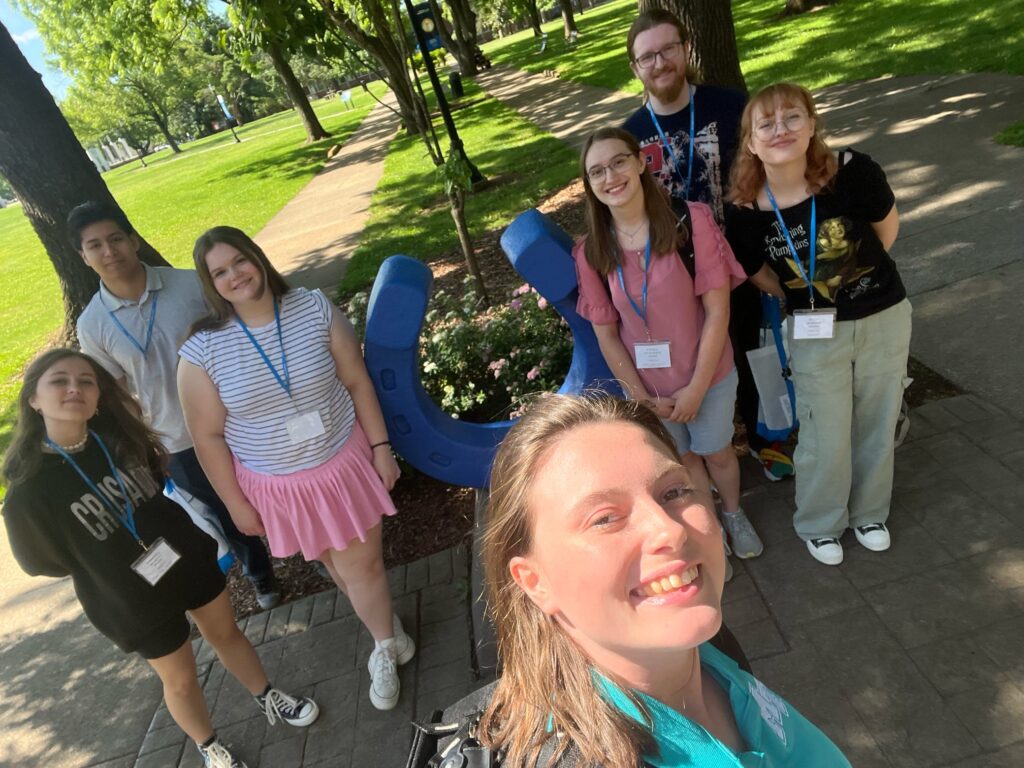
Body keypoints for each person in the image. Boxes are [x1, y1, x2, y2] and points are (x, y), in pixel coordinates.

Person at [477, 394, 852, 766]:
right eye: (605, 518)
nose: (669, 530)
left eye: (673, 491)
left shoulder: (705, 649)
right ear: (535, 582)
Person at [2, 349, 318, 768]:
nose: (75, 388)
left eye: (87, 380)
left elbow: (157, 481)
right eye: (59, 380)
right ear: (34, 399)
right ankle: (209, 747)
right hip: (128, 596)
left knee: (228, 635)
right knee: (181, 679)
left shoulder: (119, 436)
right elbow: (44, 562)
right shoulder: (28, 492)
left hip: (184, 560)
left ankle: (267, 696)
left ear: (99, 396)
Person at [177, 226, 415, 710]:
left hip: (340, 464)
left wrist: (381, 446)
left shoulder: (312, 308)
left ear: (257, 258)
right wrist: (236, 504)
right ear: (210, 283)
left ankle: (384, 648)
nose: (234, 275)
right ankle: (387, 628)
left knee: (362, 565)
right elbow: (207, 436)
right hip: (277, 485)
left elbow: (356, 380)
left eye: (239, 261)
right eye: (219, 272)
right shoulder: (202, 350)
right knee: (333, 562)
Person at [724, 82, 912, 566]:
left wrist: (846, 286)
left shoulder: (852, 174)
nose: (780, 129)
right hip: (813, 331)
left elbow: (885, 231)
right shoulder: (744, 211)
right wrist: (805, 295)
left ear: (811, 126)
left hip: (882, 315)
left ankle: (870, 513)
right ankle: (821, 522)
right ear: (750, 141)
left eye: (792, 117)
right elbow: (757, 274)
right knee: (823, 431)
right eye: (766, 123)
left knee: (877, 418)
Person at [71, 201, 281, 610]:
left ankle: (313, 550)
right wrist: (150, 445)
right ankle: (261, 573)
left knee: (278, 486)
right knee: (223, 511)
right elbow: (118, 396)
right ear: (83, 256)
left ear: (133, 240)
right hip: (176, 440)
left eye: (116, 239)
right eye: (95, 245)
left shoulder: (190, 285)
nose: (109, 251)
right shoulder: (92, 324)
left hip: (240, 417)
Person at [574, 126, 763, 570]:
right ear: (590, 185)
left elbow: (718, 311)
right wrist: (639, 398)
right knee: (682, 463)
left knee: (717, 453)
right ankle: (708, 530)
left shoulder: (688, 222)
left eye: (618, 161)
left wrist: (696, 388)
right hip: (651, 394)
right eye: (597, 171)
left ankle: (734, 514)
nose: (610, 176)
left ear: (641, 162)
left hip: (707, 378)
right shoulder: (591, 252)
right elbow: (606, 333)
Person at [622, 9, 794, 484]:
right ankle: (706, 452)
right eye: (648, 56)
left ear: (686, 50)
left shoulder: (729, 106)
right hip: (674, 283)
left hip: (739, 264)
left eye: (668, 49)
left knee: (752, 350)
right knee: (698, 362)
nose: (660, 63)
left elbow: (761, 179)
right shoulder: (631, 136)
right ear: (635, 67)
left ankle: (766, 440)